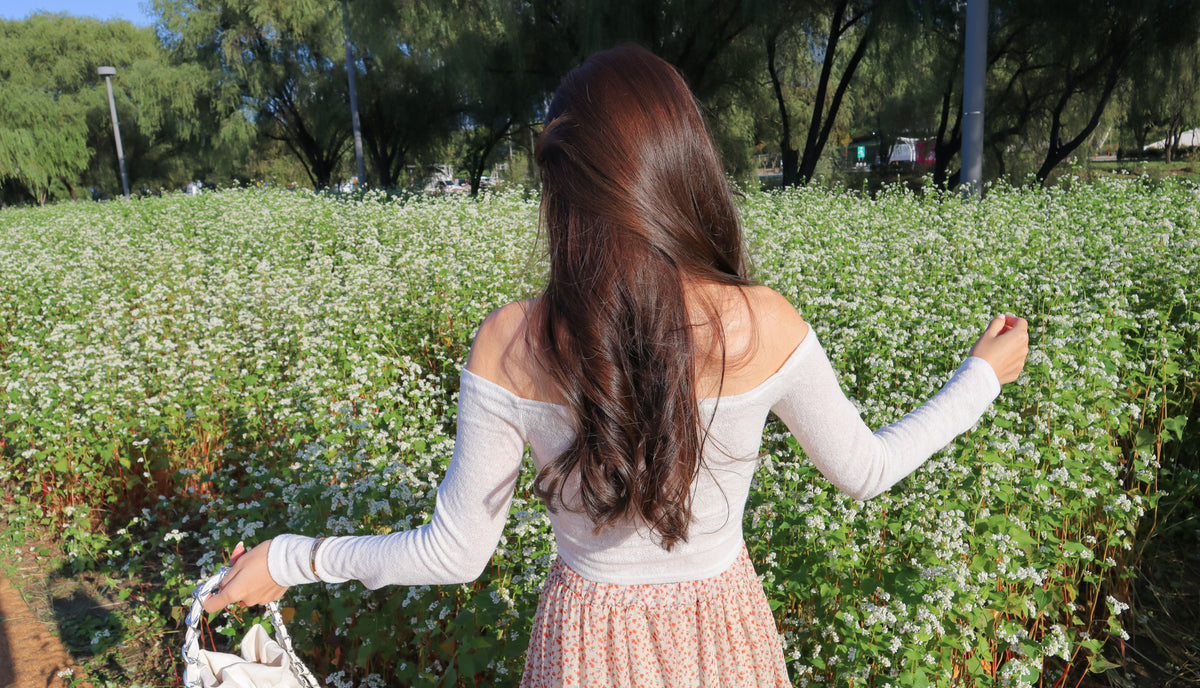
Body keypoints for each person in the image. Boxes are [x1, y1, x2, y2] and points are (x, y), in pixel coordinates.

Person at [202, 44, 1029, 687]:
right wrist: (982, 374)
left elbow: (455, 554)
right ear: (685, 166)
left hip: (586, 644)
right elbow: (868, 469)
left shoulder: (512, 341)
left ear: (561, 188)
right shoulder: (762, 322)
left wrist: (288, 559)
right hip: (725, 637)